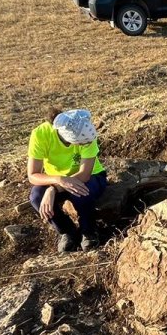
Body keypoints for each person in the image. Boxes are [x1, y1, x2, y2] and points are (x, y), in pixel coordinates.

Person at [27, 108, 107, 253]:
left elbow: (84, 174)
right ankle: (67, 231)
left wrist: (53, 188)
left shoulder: (86, 131)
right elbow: (33, 175)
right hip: (56, 178)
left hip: (90, 177)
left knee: (81, 190)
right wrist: (58, 179)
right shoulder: (40, 134)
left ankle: (88, 230)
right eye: (80, 143)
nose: (85, 144)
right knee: (37, 197)